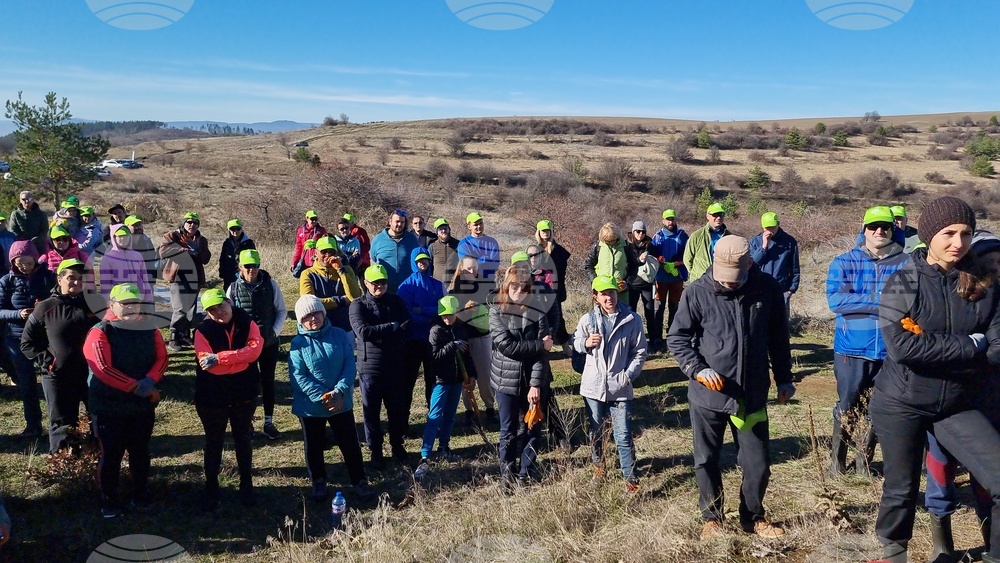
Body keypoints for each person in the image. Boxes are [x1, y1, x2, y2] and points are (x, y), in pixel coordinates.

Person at [871, 196, 1000, 563]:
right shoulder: (901, 281)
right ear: (929, 235)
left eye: (966, 233)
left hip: (956, 403)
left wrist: (949, 345)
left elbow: (995, 347)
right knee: (901, 487)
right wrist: (969, 344)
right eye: (948, 233)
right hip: (901, 402)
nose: (958, 243)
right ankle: (894, 552)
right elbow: (902, 349)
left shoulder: (983, 285)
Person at [667, 235, 795, 540]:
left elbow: (779, 337)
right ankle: (712, 517)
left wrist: (784, 376)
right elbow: (678, 338)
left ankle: (752, 517)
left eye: (734, 280)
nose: (728, 285)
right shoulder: (697, 292)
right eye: (723, 279)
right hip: (708, 395)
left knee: (758, 463)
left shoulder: (768, 289)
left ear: (750, 264)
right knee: (706, 459)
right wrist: (698, 369)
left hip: (750, 394)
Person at [921, 229, 1000, 560]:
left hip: (992, 400)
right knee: (941, 470)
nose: (996, 267)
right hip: (947, 399)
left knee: (989, 478)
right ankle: (943, 547)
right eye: (989, 261)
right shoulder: (945, 297)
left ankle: (991, 544)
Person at [825, 205, 908, 477]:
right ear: (864, 230)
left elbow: (908, 304)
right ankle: (836, 463)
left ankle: (865, 463)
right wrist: (881, 301)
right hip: (851, 349)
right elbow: (836, 301)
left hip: (890, 349)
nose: (879, 231)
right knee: (847, 405)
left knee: (878, 409)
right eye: (873, 227)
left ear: (893, 229)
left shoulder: (906, 264)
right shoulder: (844, 262)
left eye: (885, 226)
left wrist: (863, 303)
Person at [84, 282, 167, 518]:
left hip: (141, 405)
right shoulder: (101, 331)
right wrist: (138, 388)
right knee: (111, 455)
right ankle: (109, 501)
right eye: (125, 303)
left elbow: (161, 358)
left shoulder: (151, 329)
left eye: (135, 303)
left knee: (140, 452)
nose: (131, 307)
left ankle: (139, 495)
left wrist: (150, 381)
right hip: (109, 406)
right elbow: (102, 368)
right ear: (112, 305)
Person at [288, 294, 375, 501]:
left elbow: (349, 365)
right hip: (311, 407)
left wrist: (338, 392)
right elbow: (298, 376)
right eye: (307, 316)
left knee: (350, 443)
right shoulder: (297, 344)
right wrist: (323, 396)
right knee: (314, 445)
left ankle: (359, 480)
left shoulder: (338, 335)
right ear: (301, 320)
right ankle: (318, 482)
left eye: (316, 313)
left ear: (323, 313)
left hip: (341, 401)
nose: (313, 319)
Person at [574, 275, 647, 493]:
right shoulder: (587, 320)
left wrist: (627, 376)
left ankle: (631, 480)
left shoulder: (632, 320)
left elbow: (640, 351)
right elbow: (574, 344)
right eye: (604, 294)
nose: (609, 298)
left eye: (612, 293)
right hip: (593, 387)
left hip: (620, 387)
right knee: (596, 433)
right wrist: (585, 343)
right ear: (595, 296)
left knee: (623, 435)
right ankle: (600, 469)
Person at [193, 289, 263, 511]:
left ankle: (247, 485)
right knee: (214, 442)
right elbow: (208, 366)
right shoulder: (202, 331)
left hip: (245, 394)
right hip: (212, 397)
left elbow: (254, 352)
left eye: (221, 305)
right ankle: (211, 487)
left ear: (229, 302)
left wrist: (222, 358)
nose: (219, 312)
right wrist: (240, 359)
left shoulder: (247, 321)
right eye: (212, 309)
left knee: (243, 440)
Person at [20, 258, 97, 453]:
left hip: (91, 375)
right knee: (62, 423)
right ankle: (63, 468)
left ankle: (96, 463)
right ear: (60, 278)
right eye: (71, 277)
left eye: (81, 278)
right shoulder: (46, 307)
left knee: (97, 419)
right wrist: (48, 361)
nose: (77, 282)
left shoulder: (94, 305)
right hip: (58, 376)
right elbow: (27, 343)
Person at [490, 266, 553, 490]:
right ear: (507, 287)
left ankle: (526, 471)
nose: (518, 290)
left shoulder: (539, 312)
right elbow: (506, 346)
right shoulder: (496, 311)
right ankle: (507, 472)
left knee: (532, 427)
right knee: (508, 429)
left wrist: (536, 384)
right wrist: (539, 345)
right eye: (514, 286)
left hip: (533, 379)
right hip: (505, 380)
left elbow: (543, 355)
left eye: (523, 287)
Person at [350, 264, 412, 467]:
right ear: (366, 283)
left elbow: (406, 326)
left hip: (395, 364)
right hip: (371, 367)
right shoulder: (358, 305)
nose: (379, 286)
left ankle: (397, 445)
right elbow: (363, 333)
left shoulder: (396, 301)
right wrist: (391, 327)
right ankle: (375, 450)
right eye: (375, 283)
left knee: (396, 409)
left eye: (383, 282)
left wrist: (386, 330)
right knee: (371, 412)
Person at [414, 295, 478, 478]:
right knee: (435, 415)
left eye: (450, 315)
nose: (447, 319)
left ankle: (444, 447)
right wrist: (452, 346)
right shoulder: (436, 330)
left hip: (457, 379)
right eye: (444, 316)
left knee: (450, 415)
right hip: (440, 380)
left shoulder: (461, 329)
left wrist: (472, 375)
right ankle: (425, 453)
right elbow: (434, 356)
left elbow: (467, 355)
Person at [227, 249, 287, 441]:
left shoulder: (271, 285)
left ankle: (268, 422)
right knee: (247, 383)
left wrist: (273, 332)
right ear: (240, 267)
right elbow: (229, 315)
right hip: (245, 347)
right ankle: (248, 423)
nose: (252, 270)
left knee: (268, 382)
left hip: (268, 343)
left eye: (255, 266)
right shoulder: (233, 288)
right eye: (248, 266)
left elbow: (281, 310)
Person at [0, 240, 56, 438]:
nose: (25, 266)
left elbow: (58, 301)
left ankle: (56, 425)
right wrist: (17, 314)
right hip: (16, 339)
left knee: (51, 383)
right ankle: (33, 425)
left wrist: (43, 309)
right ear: (13, 262)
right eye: (19, 262)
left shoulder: (49, 277)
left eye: (28, 262)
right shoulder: (6, 281)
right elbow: (0, 310)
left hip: (45, 338)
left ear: (35, 259)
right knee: (27, 384)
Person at [449, 256, 496, 425]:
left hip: (482, 336)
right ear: (461, 269)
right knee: (466, 377)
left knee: (485, 375)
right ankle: (469, 410)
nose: (472, 271)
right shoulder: (454, 291)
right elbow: (451, 317)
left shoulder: (485, 288)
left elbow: (494, 309)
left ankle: (490, 407)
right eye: (468, 268)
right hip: (464, 338)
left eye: (474, 268)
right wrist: (464, 312)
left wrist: (480, 308)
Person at [397, 248, 446, 412]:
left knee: (433, 380)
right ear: (413, 262)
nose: (422, 263)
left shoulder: (437, 285)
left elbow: (442, 309)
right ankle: (403, 421)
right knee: (407, 381)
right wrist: (429, 316)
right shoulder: (405, 287)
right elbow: (406, 313)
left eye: (425, 260)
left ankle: (434, 417)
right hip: (411, 340)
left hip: (433, 340)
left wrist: (423, 309)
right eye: (419, 260)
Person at [158, 212, 211, 352]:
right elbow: (163, 251)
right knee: (180, 308)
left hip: (195, 278)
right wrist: (184, 250)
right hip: (178, 277)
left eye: (195, 223)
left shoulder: (201, 239)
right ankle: (174, 336)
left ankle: (184, 335)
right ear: (183, 223)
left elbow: (206, 259)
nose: (192, 225)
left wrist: (200, 251)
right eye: (189, 222)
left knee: (191, 309)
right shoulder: (172, 235)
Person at [300, 236, 361, 334]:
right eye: (323, 252)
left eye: (331, 252)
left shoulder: (347, 270)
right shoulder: (307, 274)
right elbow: (310, 303)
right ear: (316, 252)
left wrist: (341, 271)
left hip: (345, 326)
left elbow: (355, 297)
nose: (327, 255)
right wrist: (341, 300)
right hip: (320, 328)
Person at [749, 212, 800, 329]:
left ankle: (780, 347)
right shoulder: (755, 241)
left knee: (780, 325)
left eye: (772, 226)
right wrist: (763, 247)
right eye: (767, 227)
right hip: (759, 290)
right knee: (759, 324)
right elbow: (752, 264)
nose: (770, 230)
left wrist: (791, 290)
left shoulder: (790, 242)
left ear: (778, 224)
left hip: (781, 290)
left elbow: (795, 268)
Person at [649, 209, 689, 341]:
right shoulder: (657, 236)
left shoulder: (683, 236)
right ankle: (657, 337)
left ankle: (673, 337)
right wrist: (659, 260)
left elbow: (688, 254)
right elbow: (651, 254)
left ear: (676, 220)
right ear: (663, 221)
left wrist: (678, 263)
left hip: (676, 276)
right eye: (667, 219)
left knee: (675, 307)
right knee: (659, 307)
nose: (670, 222)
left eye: (672, 219)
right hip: (660, 277)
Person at [535, 219, 572, 352]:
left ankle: (565, 343)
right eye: (543, 230)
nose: (545, 233)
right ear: (538, 232)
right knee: (538, 319)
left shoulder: (560, 251)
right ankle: (542, 346)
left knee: (557, 318)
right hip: (538, 291)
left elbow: (562, 274)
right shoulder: (534, 251)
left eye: (547, 230)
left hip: (554, 291)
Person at [582, 222, 639, 305]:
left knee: (624, 316)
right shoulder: (597, 246)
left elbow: (634, 266)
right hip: (601, 290)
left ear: (617, 237)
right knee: (601, 316)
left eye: (613, 240)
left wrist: (627, 283)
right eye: (607, 241)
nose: (610, 243)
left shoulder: (626, 246)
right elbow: (588, 265)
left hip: (621, 291)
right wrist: (594, 281)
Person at [98, 224, 152, 306]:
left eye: (126, 236)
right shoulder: (108, 258)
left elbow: (144, 278)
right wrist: (107, 301)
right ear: (114, 237)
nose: (123, 239)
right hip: (118, 299)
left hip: (137, 297)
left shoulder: (137, 255)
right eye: (120, 236)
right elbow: (105, 282)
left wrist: (148, 296)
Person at [370, 209, 419, 292]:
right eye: (397, 221)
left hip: (407, 288)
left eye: (402, 222)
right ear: (390, 221)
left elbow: (417, 258)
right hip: (384, 288)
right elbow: (374, 257)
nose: (399, 224)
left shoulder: (412, 239)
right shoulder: (378, 239)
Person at [684, 202, 731, 283]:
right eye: (715, 215)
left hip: (722, 282)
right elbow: (687, 259)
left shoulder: (729, 237)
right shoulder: (697, 235)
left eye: (721, 214)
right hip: (700, 282)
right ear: (707, 216)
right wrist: (696, 274)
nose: (719, 217)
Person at [626, 221, 657, 343]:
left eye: (643, 231)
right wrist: (639, 259)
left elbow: (656, 257)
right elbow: (628, 263)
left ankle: (654, 340)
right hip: (632, 283)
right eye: (638, 231)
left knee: (649, 311)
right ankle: (632, 339)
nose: (640, 234)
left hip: (647, 283)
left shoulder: (650, 244)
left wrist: (659, 259)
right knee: (631, 312)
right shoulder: (627, 245)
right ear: (633, 231)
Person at [456, 212, 501, 285]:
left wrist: (476, 261)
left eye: (481, 223)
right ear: (469, 227)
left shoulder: (492, 242)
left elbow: (494, 264)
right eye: (475, 225)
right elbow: (467, 265)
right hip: (470, 284)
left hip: (488, 282)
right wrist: (485, 259)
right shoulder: (463, 244)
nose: (479, 226)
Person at [219, 219, 255, 292]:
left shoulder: (249, 243)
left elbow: (253, 260)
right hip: (228, 274)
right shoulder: (226, 243)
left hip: (243, 273)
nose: (235, 231)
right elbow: (222, 259)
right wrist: (222, 272)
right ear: (229, 230)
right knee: (228, 295)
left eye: (238, 229)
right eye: (232, 229)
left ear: (241, 229)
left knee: (242, 294)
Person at [125, 216, 157, 293]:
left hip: (147, 283)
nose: (138, 227)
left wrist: (152, 280)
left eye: (139, 224)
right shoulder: (122, 243)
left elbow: (152, 261)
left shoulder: (147, 241)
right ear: (126, 227)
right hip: (128, 284)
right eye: (134, 225)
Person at [428, 218, 459, 286]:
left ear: (449, 229)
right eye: (440, 229)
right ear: (437, 232)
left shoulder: (458, 245)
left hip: (455, 285)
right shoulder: (432, 247)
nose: (444, 230)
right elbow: (428, 266)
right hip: (437, 285)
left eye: (445, 228)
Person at [343, 212, 371, 277]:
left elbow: (366, 246)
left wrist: (361, 258)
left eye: (347, 221)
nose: (345, 223)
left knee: (364, 284)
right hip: (350, 262)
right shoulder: (344, 232)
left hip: (363, 263)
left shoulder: (360, 231)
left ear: (352, 223)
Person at [0, 213, 14, 278]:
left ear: (5, 222)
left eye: (2, 221)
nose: (0, 223)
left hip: (11, 267)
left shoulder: (12, 236)